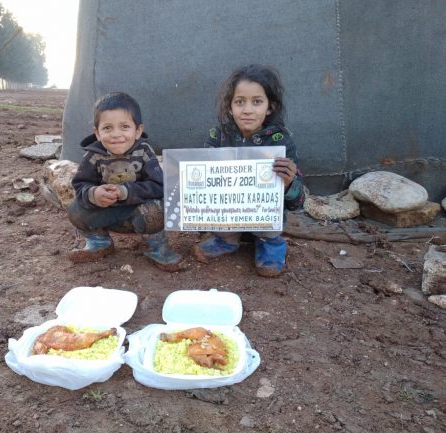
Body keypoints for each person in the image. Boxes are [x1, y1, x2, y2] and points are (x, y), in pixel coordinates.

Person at [193, 64, 305, 277]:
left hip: (263, 214)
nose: (247, 110)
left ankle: (269, 245)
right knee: (216, 214)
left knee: (269, 223)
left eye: (257, 102)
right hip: (228, 211)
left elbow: (298, 202)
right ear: (229, 107)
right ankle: (226, 240)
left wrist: (289, 183)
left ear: (269, 107)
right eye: (239, 102)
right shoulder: (217, 136)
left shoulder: (281, 142)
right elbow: (203, 188)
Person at [67, 92, 183, 272]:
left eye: (124, 126)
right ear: (97, 133)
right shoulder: (93, 155)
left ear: (137, 131)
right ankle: (99, 241)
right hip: (105, 214)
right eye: (107, 128)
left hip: (138, 213)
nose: (116, 134)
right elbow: (80, 185)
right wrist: (94, 194)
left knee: (159, 208)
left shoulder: (144, 152)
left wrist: (125, 191)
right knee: (74, 209)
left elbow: (159, 187)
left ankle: (158, 246)